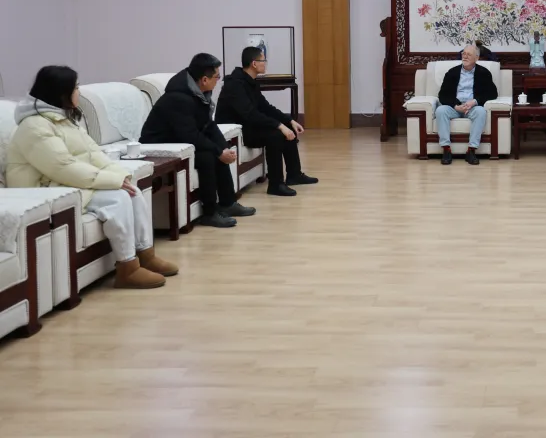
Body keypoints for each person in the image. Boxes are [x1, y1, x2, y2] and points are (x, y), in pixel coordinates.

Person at [5, 66, 177, 289]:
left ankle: (146, 255)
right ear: (61, 92)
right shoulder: (34, 126)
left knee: (132, 191)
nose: (79, 91)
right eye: (75, 87)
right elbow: (63, 167)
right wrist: (112, 181)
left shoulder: (63, 118)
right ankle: (127, 268)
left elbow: (94, 153)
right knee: (118, 199)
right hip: (45, 190)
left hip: (66, 183)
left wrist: (119, 176)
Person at [140, 53, 255, 228]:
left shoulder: (200, 92)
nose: (218, 81)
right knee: (208, 156)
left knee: (218, 152)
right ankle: (209, 213)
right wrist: (218, 152)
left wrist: (223, 148)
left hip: (180, 138)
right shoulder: (179, 98)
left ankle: (228, 203)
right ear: (204, 79)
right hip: (160, 144)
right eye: (217, 77)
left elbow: (208, 125)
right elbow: (189, 134)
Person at [216, 47, 318, 197]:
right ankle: (275, 185)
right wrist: (279, 126)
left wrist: (289, 120)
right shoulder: (235, 84)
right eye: (263, 60)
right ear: (254, 63)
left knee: (288, 128)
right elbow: (250, 114)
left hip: (249, 125)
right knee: (275, 135)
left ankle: (294, 175)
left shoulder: (250, 82)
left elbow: (266, 107)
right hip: (238, 131)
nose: (265, 63)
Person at [435, 44, 498, 165]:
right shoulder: (452, 72)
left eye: (469, 54)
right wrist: (455, 105)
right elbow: (442, 95)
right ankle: (446, 150)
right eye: (463, 53)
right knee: (440, 111)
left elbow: (493, 93)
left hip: (472, 108)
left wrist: (474, 101)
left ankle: (471, 150)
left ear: (476, 58)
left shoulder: (484, 73)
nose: (465, 56)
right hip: (455, 107)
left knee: (481, 112)